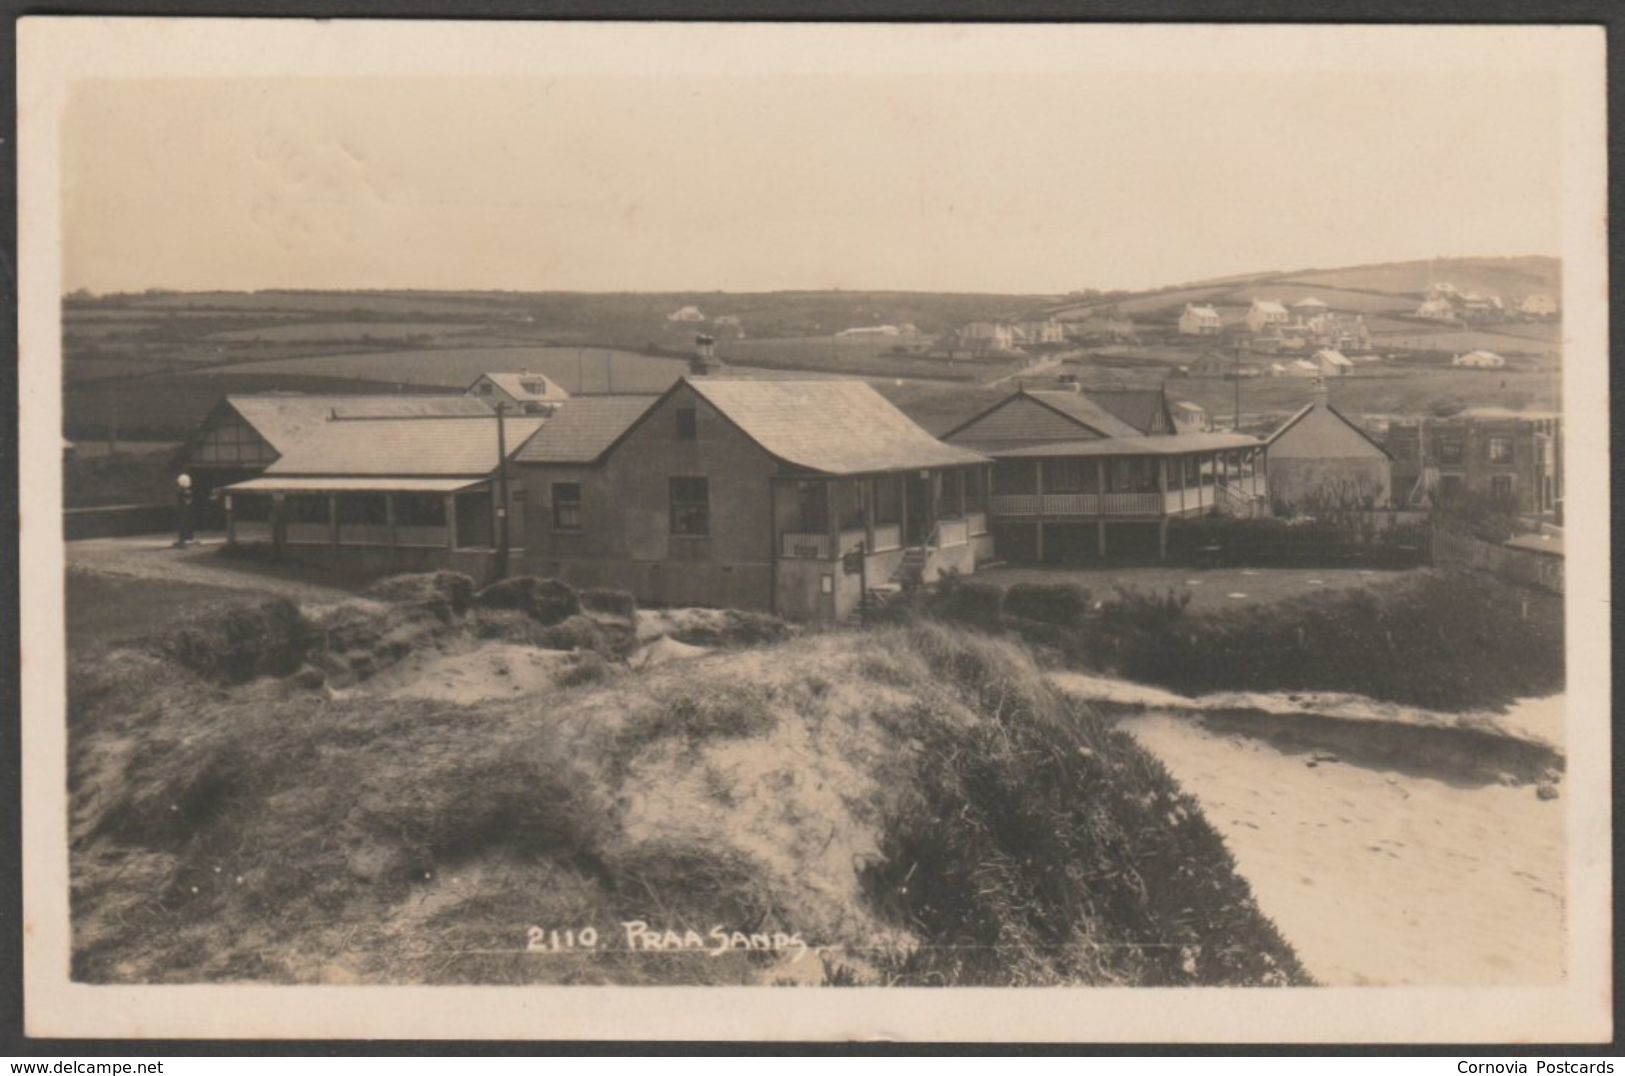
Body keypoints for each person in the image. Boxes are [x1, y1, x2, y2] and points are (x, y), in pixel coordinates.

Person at [174, 473, 194, 547]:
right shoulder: (185, 492)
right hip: (185, 511)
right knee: (184, 524)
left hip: (184, 511)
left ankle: (185, 538)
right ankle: (185, 538)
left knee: (184, 524)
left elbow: (187, 502)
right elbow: (188, 502)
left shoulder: (183, 492)